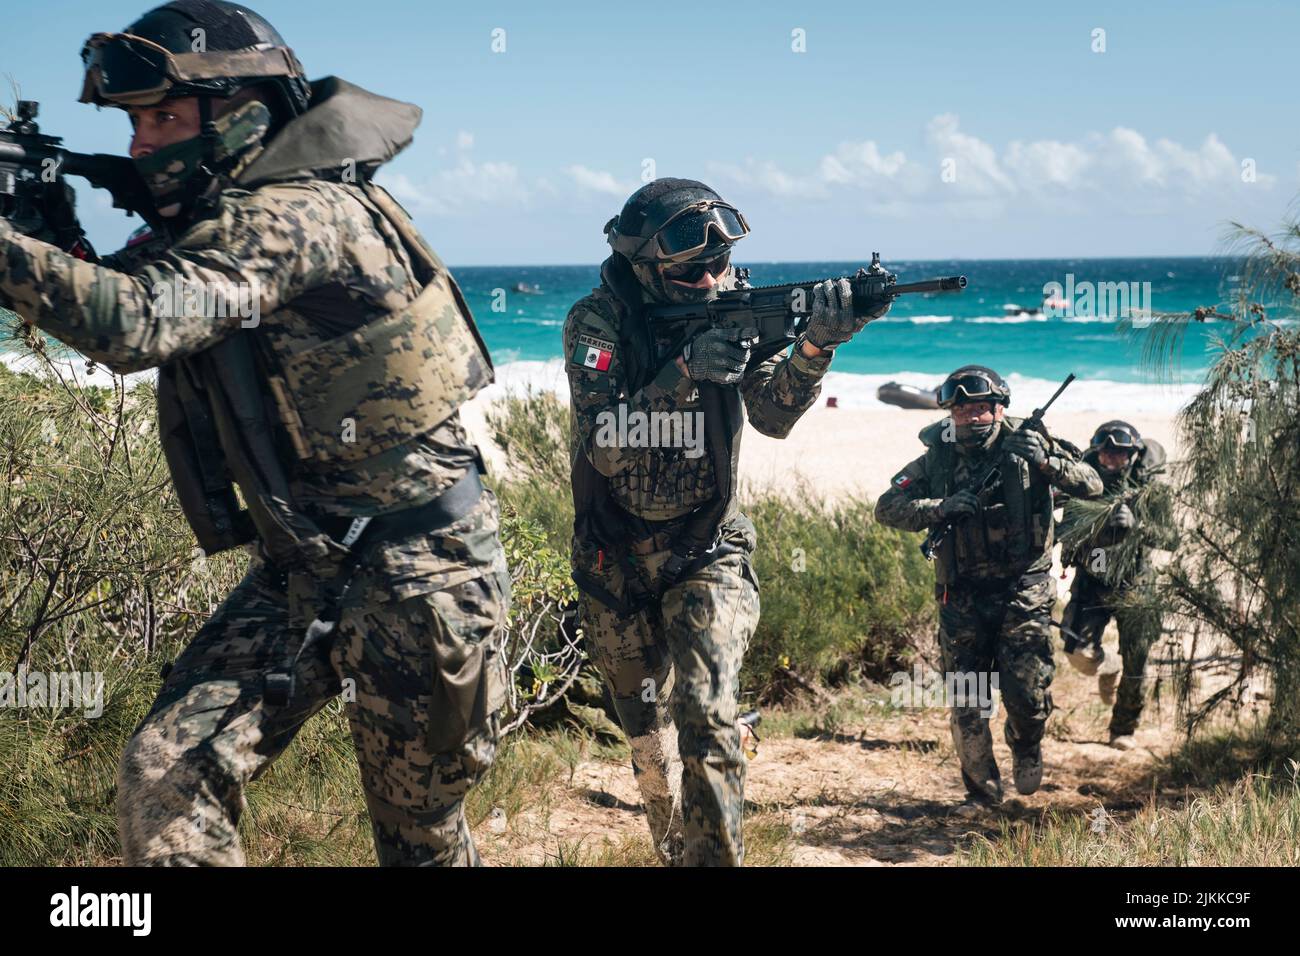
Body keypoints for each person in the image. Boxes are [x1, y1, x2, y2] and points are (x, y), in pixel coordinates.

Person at [0, 1, 508, 866]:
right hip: (308, 570)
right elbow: (128, 292)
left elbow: (137, 322)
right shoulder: (231, 224)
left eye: (162, 117)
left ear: (241, 112)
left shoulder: (296, 216)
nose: (139, 146)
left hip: (421, 581)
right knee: (167, 773)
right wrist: (52, 238)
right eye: (133, 124)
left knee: (418, 839)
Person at [563, 178, 890, 864]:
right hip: (613, 558)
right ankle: (674, 843)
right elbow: (604, 446)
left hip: (709, 547)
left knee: (707, 720)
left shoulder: (735, 308)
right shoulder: (596, 322)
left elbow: (772, 416)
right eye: (693, 270)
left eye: (720, 265)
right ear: (646, 264)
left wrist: (814, 349)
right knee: (645, 737)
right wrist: (681, 373)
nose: (712, 279)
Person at [874, 366, 1102, 805]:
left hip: (1024, 589)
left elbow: (1092, 485)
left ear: (1000, 409)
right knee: (968, 700)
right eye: (963, 409)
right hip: (960, 594)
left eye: (982, 408)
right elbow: (887, 508)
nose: (972, 417)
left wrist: (1044, 461)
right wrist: (938, 508)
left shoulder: (1032, 440)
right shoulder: (937, 456)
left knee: (1028, 694)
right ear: (950, 413)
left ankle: (1026, 742)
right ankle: (981, 789)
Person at [1059, 421, 1172, 750]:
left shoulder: (1149, 490)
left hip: (1135, 583)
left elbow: (1172, 539)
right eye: (1106, 452)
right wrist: (1092, 528)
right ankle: (1107, 666)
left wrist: (1138, 527)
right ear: (1096, 452)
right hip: (1093, 580)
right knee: (1077, 651)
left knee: (1137, 662)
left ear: (1132, 455)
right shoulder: (1083, 485)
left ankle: (1122, 728)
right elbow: (1065, 534)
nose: (1111, 458)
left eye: (1120, 453)